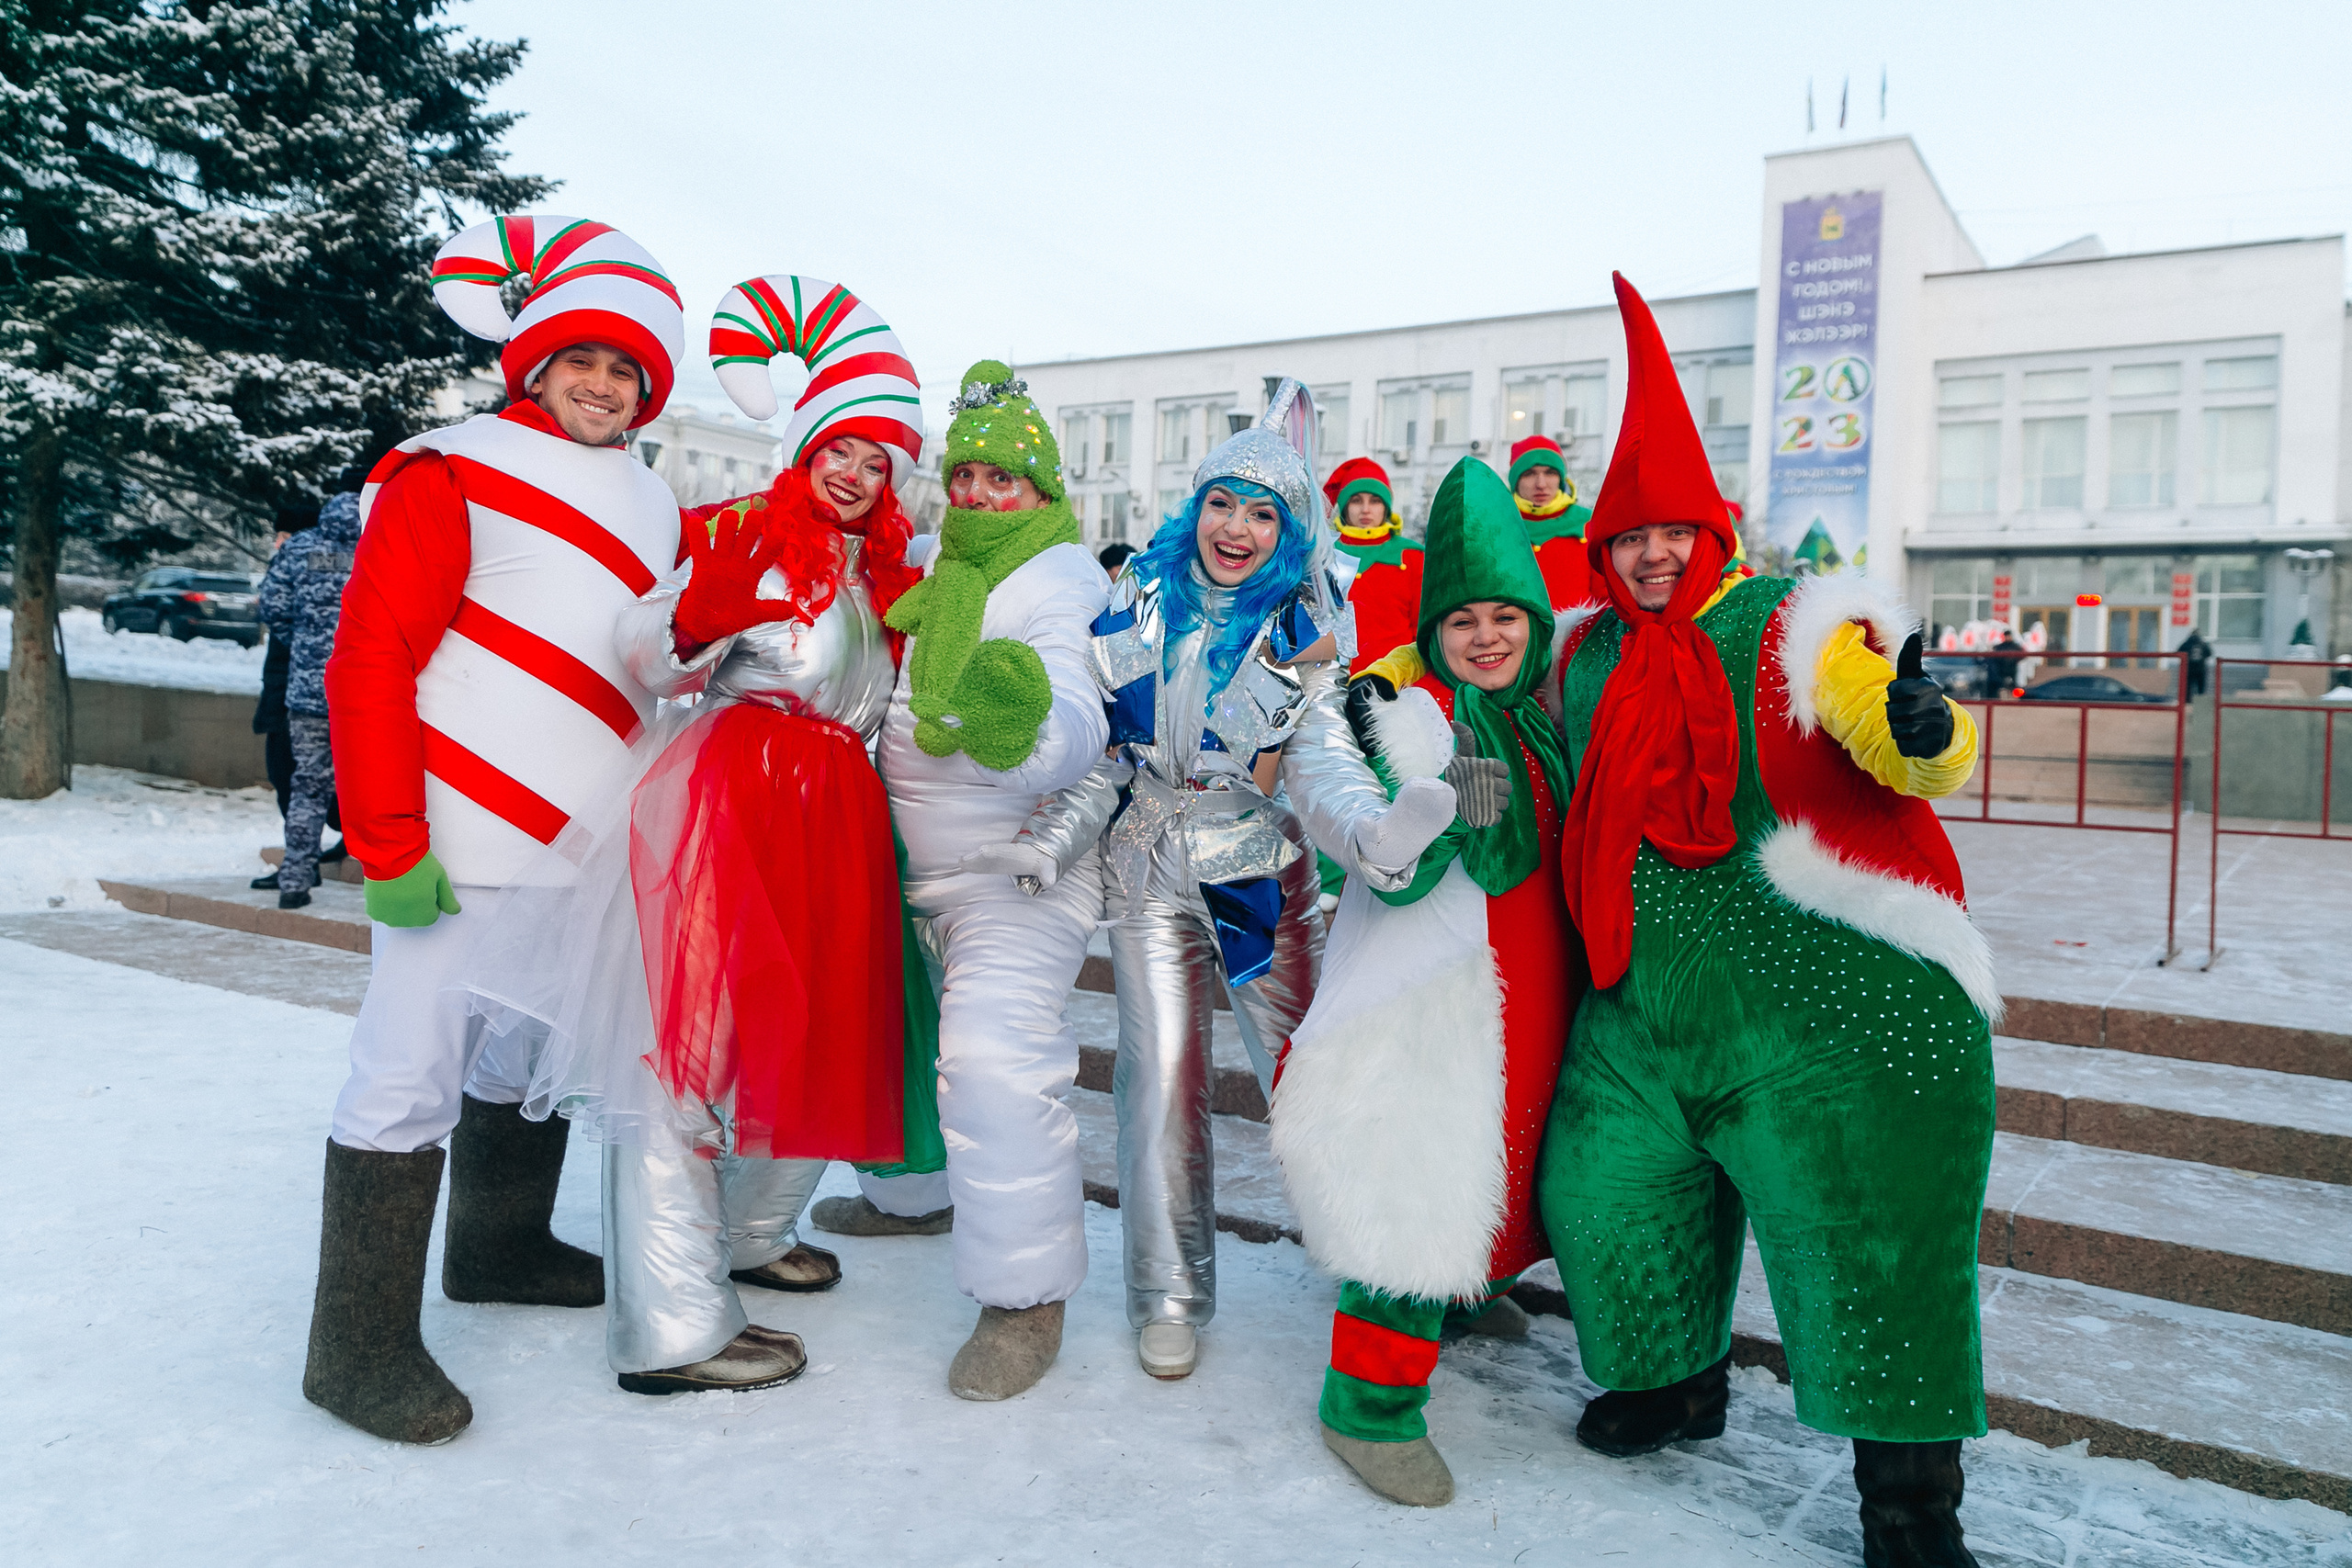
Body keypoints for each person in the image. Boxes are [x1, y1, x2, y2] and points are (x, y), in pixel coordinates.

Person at [1535, 276, 1994, 1568]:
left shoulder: (1796, 620)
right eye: (1630, 538)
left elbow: (1889, 729)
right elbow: (1476, 681)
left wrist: (1920, 729)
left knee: (1867, 1240)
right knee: (1602, 1191)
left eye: (1672, 533)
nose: (1653, 556)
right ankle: (1677, 1384)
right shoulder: (1582, 653)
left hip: (1819, 1004)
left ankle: (1909, 1505)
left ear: (1712, 531)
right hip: (1643, 1007)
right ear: (1603, 549)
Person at [473, 273, 939, 1397]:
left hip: (837, 819)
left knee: (822, 1030)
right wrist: (692, 619)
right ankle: (670, 1325)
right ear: (803, 447)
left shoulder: (884, 574)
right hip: (730, 808)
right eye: (838, 450)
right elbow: (642, 651)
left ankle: (747, 1232)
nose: (853, 474)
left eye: (877, 462)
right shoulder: (745, 534)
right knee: (686, 1055)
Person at [303, 213, 687, 1445]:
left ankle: (499, 1242)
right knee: (407, 1068)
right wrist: (388, 839)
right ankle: (355, 1349)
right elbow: (370, 658)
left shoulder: (656, 500)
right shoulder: (449, 467)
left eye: (626, 367)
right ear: (535, 359)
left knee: (522, 1059)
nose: (602, 384)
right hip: (454, 837)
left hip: (589, 844)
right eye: (582, 358)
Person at [1275, 456, 1577, 1507]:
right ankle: (1367, 1406)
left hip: (1534, 993)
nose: (1485, 636)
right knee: (1415, 1184)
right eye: (1462, 622)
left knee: (1505, 1160)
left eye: (1504, 616)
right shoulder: (1395, 715)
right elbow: (1379, 860)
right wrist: (1436, 815)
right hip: (1434, 999)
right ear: (1433, 631)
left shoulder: (1546, 717)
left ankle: (1464, 1292)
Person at [808, 361, 1113, 1404]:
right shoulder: (942, 565)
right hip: (901, 857)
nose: (980, 495)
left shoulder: (1061, 579)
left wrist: (1017, 729)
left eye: (1003, 480)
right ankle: (913, 1199)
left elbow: (1075, 716)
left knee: (991, 1055)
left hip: (1012, 869)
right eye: (966, 477)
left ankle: (1026, 1299)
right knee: (889, 1035)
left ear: (1042, 492)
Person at [1045, 380, 1349, 1382]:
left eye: (1262, 514)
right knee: (1159, 1081)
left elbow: (1325, 756)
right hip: (1146, 864)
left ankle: (1378, 1265)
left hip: (1258, 867)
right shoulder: (1139, 596)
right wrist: (1049, 835)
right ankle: (1168, 1294)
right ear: (1196, 505)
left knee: (1310, 1070)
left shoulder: (1305, 625)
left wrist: (1374, 830)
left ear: (1288, 533)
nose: (1236, 528)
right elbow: (1099, 745)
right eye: (1222, 503)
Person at [257, 489, 359, 908]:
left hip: (309, 693)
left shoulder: (299, 547)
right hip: (371, 690)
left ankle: (295, 881)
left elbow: (272, 606)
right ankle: (385, 880)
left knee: (307, 787)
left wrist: (305, 645)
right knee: (383, 785)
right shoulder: (386, 543)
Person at [1328, 457, 1420, 678]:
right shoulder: (1323, 554)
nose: (1366, 509)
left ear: (1386, 507)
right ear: (1345, 506)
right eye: (1356, 500)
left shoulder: (1413, 557)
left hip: (1396, 682)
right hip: (1331, 681)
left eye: (1375, 501)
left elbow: (1423, 632)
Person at [1505, 434, 1602, 608]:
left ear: (1561, 479)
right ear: (1515, 481)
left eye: (1550, 473)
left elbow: (1606, 598)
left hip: (1582, 626)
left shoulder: (1591, 524)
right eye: (1529, 474)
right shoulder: (1497, 527)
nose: (1541, 484)